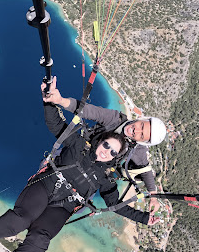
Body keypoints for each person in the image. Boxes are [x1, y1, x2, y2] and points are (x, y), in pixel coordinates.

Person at [0, 77, 159, 252]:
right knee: (21, 220)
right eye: (106, 144)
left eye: (113, 152)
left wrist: (144, 216)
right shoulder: (79, 144)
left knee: (39, 241)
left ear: (116, 158)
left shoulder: (106, 178)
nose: (107, 151)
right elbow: (57, 124)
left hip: (64, 206)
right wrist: (50, 100)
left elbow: (116, 205)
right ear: (100, 140)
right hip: (48, 183)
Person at [43, 78, 167, 214]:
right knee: (48, 176)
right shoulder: (114, 119)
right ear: (140, 119)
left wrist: (153, 195)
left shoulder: (138, 150)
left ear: (142, 142)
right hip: (76, 155)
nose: (136, 131)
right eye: (141, 126)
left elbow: (145, 170)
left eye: (141, 135)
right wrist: (60, 101)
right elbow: (89, 111)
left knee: (67, 207)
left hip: (92, 177)